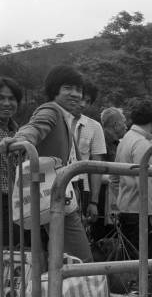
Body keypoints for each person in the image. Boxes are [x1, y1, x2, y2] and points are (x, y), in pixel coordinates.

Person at [0, 66, 93, 264]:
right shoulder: (50, 110)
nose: (76, 94)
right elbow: (35, 127)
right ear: (54, 90)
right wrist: (19, 140)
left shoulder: (66, 118)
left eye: (79, 89)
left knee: (55, 260)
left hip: (52, 198)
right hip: (49, 199)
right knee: (81, 261)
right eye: (68, 88)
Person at [110, 98, 152, 295]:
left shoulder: (126, 140)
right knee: (144, 262)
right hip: (142, 210)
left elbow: (114, 178)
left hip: (127, 207)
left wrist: (114, 206)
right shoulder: (142, 144)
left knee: (132, 260)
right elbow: (146, 183)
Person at [71, 80, 107, 224]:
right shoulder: (55, 120)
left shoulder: (95, 126)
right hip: (54, 186)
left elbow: (97, 166)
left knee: (79, 234)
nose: (83, 104)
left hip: (81, 189)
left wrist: (94, 202)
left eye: (88, 101)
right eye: (81, 99)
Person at [0, 76, 25, 246]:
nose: (7, 103)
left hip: (16, 201)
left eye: (12, 98)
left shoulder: (17, 131)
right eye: (1, 98)